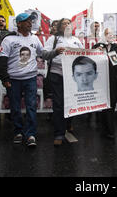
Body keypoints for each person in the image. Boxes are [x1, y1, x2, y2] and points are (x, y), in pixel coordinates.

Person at [0, 13, 63, 148]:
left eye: (31, 21)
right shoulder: (9, 39)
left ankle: (30, 134)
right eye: (26, 21)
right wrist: (4, 78)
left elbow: (43, 54)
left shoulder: (34, 39)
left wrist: (55, 52)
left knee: (31, 106)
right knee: (15, 107)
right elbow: (2, 60)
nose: (30, 23)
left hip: (30, 78)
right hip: (13, 79)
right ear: (19, 23)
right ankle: (18, 132)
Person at [44, 18, 84, 146]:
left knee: (71, 102)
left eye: (69, 23)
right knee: (59, 103)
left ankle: (68, 123)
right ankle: (59, 133)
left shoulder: (76, 41)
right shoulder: (53, 39)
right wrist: (55, 52)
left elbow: (84, 55)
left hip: (72, 76)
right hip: (57, 74)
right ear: (60, 27)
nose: (67, 25)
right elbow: (44, 54)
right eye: (64, 23)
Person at [93, 28, 117, 139]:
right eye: (108, 33)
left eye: (112, 34)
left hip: (113, 81)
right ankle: (105, 127)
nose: (110, 36)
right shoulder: (97, 46)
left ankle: (110, 130)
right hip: (101, 81)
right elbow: (91, 59)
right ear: (104, 35)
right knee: (104, 105)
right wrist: (96, 51)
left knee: (111, 104)